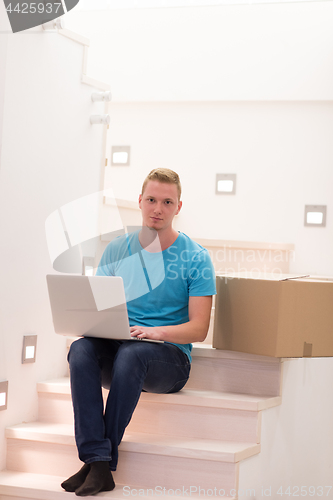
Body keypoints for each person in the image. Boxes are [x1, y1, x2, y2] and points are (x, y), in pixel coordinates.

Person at [61, 168, 216, 496]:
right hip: (121, 349)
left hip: (168, 361)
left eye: (167, 201)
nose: (158, 208)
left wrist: (157, 333)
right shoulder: (117, 249)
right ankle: (97, 461)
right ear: (140, 202)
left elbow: (199, 329)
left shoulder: (196, 258)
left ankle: (98, 461)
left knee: (134, 353)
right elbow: (98, 309)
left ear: (178, 207)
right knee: (80, 349)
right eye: (151, 200)